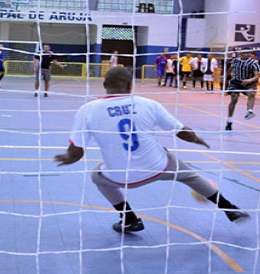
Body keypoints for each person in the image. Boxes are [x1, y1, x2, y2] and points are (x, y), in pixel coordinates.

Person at [54, 67, 250, 233]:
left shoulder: (87, 110)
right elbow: (182, 132)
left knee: (97, 176)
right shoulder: (148, 104)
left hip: (121, 177)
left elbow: (77, 153)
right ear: (130, 86)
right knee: (189, 175)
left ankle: (129, 218)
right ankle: (229, 208)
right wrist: (198, 140)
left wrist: (67, 157)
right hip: (159, 167)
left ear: (104, 85)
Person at [225, 51, 260, 131]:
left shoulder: (254, 63)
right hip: (235, 82)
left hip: (247, 82)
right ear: (240, 54)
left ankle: (249, 111)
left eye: (248, 53)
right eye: (245, 53)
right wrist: (225, 77)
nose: (247, 54)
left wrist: (249, 80)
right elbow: (230, 70)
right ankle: (229, 121)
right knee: (234, 98)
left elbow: (256, 76)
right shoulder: (235, 61)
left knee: (251, 93)